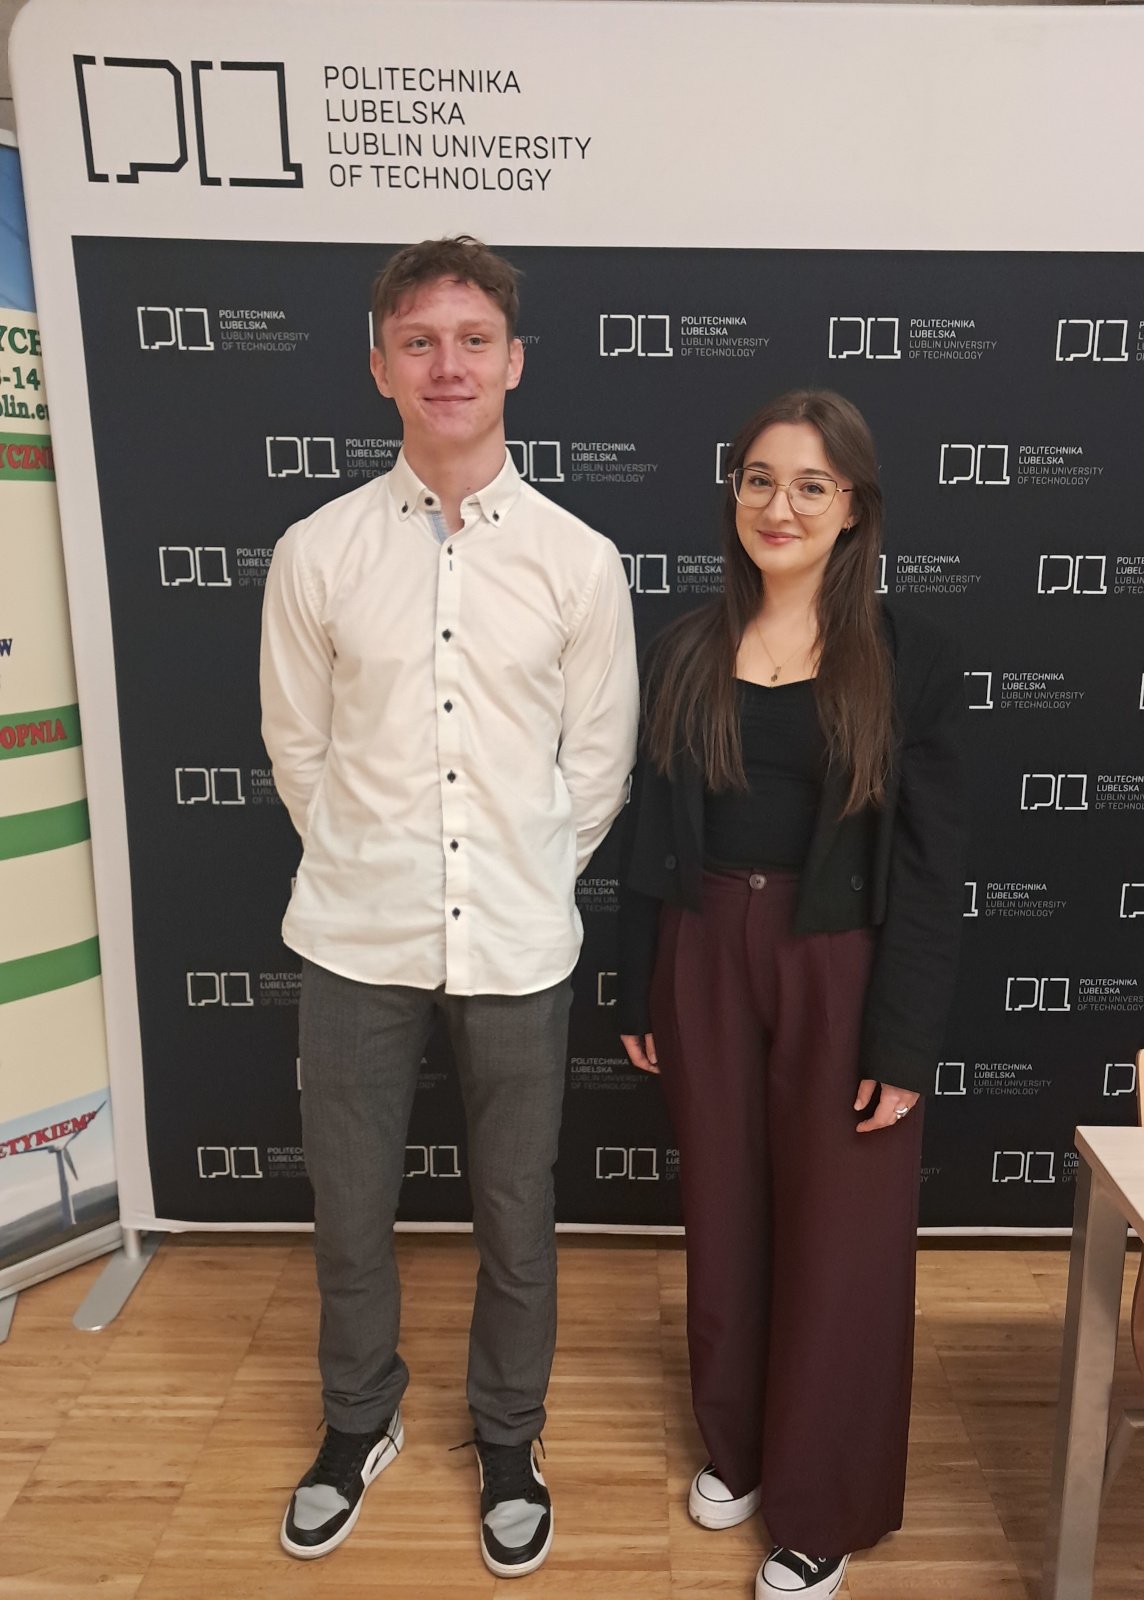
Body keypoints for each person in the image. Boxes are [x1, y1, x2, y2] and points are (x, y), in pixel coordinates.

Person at [261, 235, 638, 1577]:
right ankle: (358, 1420)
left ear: (514, 362)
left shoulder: (578, 562)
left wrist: (511, 870)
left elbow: (595, 770)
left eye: (473, 339)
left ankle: (508, 1437)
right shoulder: (316, 552)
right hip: (353, 937)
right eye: (418, 341)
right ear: (380, 367)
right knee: (350, 1209)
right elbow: (299, 753)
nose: (448, 365)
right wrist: (383, 864)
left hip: (521, 943)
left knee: (516, 1214)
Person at [617, 390, 964, 1600]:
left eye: (812, 485)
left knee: (843, 1239)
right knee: (723, 1210)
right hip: (703, 948)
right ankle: (742, 1448)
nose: (781, 505)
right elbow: (650, 830)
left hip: (840, 961)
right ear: (734, 493)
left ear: (853, 507)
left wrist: (903, 1042)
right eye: (761, 479)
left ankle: (823, 1506)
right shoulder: (685, 645)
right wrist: (639, 985)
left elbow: (931, 866)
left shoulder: (909, 656)